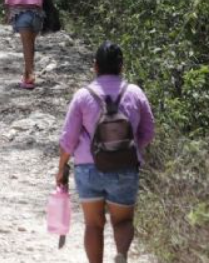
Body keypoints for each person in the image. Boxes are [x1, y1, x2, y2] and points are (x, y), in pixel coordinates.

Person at [56, 41, 155, 263]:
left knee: (93, 224)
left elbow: (68, 140)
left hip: (88, 168)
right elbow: (148, 132)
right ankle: (121, 254)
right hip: (125, 166)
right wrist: (133, 149)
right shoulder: (135, 92)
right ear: (122, 66)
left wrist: (61, 167)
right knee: (123, 221)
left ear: (95, 66)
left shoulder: (83, 95)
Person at [5, 0, 48, 90]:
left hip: (21, 15)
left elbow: (9, 0)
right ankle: (26, 73)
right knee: (31, 45)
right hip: (37, 16)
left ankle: (29, 77)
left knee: (26, 46)